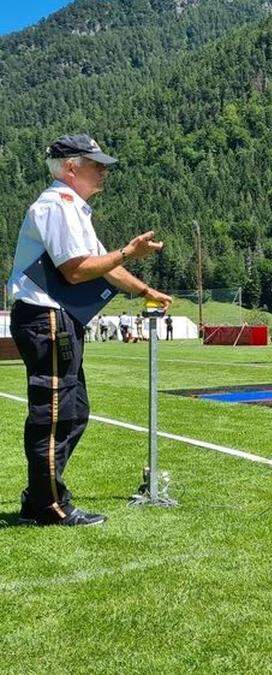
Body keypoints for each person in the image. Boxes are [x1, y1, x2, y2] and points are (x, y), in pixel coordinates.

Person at [7, 134, 172, 526]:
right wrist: (129, 252)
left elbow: (105, 266)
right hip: (45, 316)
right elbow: (76, 269)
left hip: (58, 317)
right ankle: (48, 505)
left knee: (74, 411)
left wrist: (144, 289)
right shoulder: (57, 206)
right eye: (95, 163)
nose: (103, 170)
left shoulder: (73, 209)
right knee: (54, 413)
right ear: (70, 168)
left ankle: (39, 496)